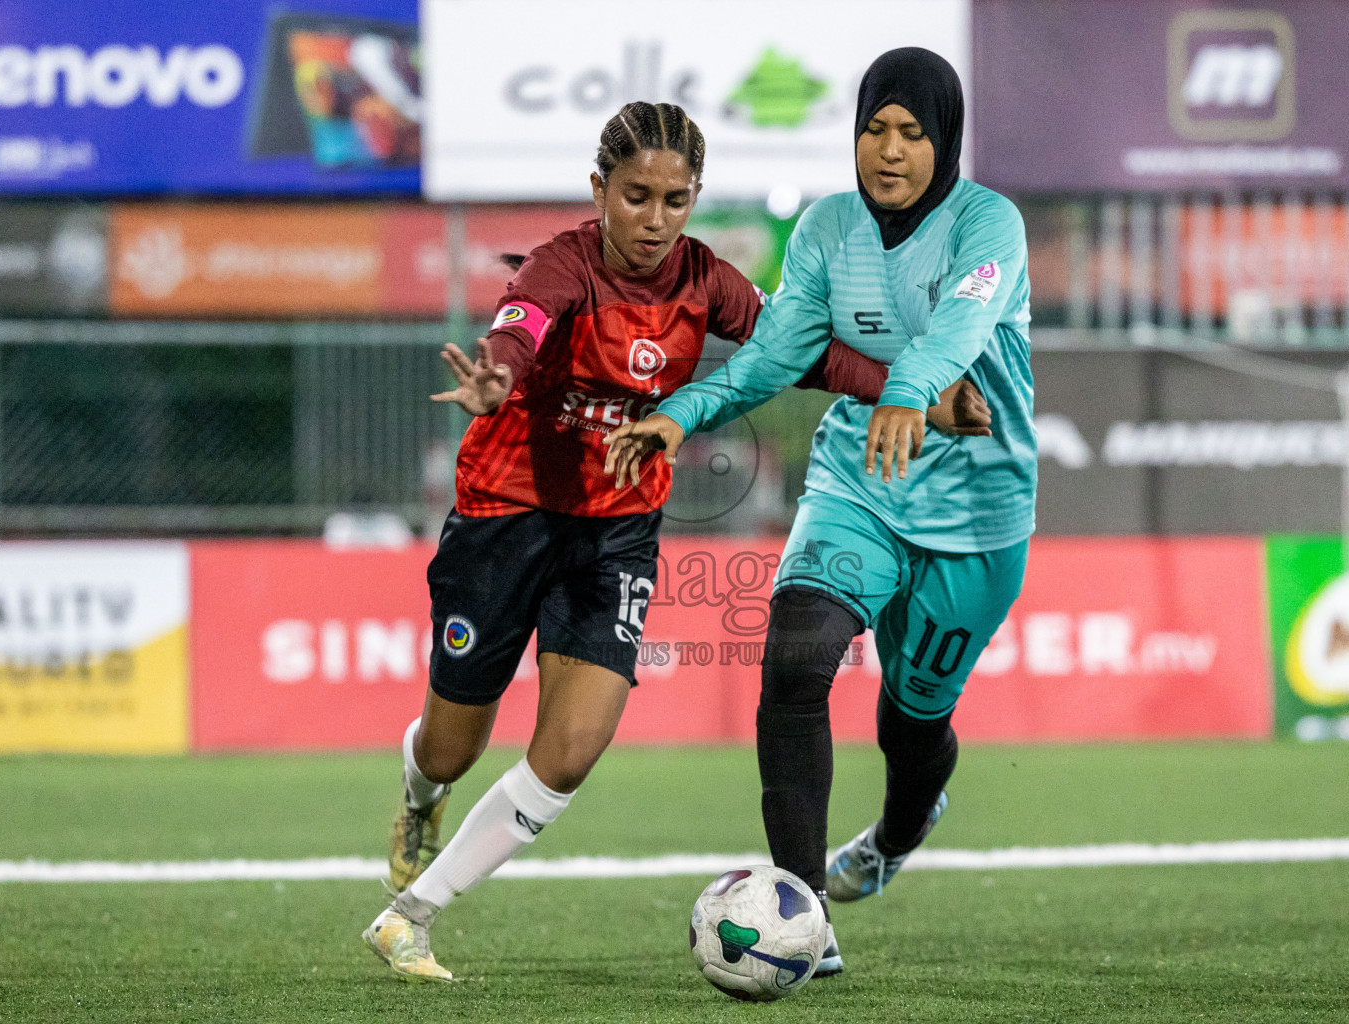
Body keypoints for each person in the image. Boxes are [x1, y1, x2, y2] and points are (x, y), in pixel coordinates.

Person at [362, 99, 985, 984]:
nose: (654, 220)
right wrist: (499, 374)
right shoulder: (562, 265)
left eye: (675, 199)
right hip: (505, 517)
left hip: (615, 533)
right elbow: (521, 328)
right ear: (598, 190)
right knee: (451, 747)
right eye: (635, 196)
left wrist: (911, 394)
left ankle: (410, 915)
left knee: (572, 750)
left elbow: (798, 354)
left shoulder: (706, 280)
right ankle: (420, 798)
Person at [604, 48, 1036, 978]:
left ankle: (898, 831)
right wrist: (679, 414)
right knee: (795, 663)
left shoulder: (988, 224)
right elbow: (770, 355)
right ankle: (805, 913)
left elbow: (961, 329)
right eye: (873, 129)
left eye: (911, 134)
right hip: (858, 487)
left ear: (944, 140)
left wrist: (907, 390)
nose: (888, 152)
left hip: (976, 516)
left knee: (912, 722)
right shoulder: (827, 227)